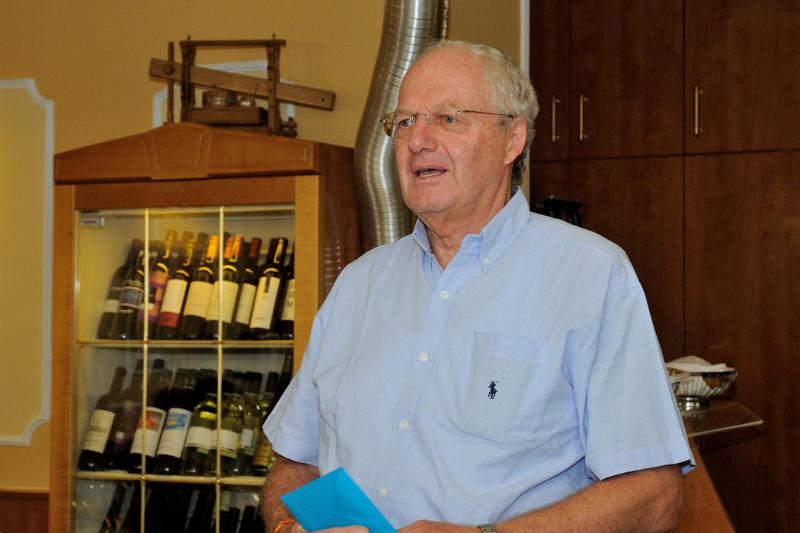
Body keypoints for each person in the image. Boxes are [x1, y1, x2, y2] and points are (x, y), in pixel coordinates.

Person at [261, 40, 693, 533]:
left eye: (448, 118)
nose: (417, 140)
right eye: (404, 122)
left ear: (513, 139)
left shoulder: (592, 276)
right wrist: (289, 528)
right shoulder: (358, 286)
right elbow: (294, 464)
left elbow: (653, 494)